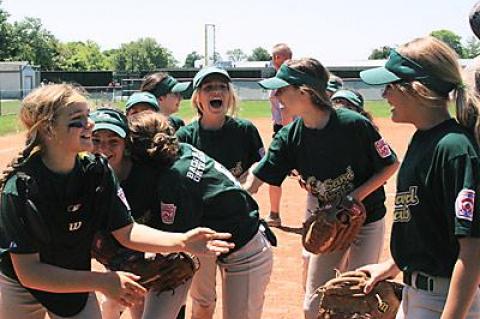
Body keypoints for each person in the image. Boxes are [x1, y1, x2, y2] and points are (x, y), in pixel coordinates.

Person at [0, 84, 234, 319]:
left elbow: (127, 231)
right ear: (49, 129)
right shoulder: (20, 189)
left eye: (87, 116)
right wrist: (102, 281)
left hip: (73, 277)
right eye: (77, 119)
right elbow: (29, 272)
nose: (89, 125)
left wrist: (181, 241)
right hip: (21, 284)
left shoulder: (96, 172)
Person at [244, 58, 399, 319]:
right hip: (329, 224)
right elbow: (255, 181)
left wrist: (354, 197)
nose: (277, 95)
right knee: (313, 304)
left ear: (303, 92)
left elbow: (390, 164)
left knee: (358, 297)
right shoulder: (289, 136)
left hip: (366, 220)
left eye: (282, 89)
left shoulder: (353, 125)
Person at [358, 36, 480, 319]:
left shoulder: (454, 149)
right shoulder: (423, 140)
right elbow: (427, 229)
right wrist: (391, 266)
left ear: (416, 88)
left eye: (390, 85)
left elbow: (473, 250)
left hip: (448, 299)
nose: (384, 94)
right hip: (418, 293)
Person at [128, 111, 274, 319]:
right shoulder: (181, 151)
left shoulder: (173, 180)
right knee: (201, 303)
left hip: (245, 247)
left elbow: (175, 244)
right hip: (207, 240)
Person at [175, 66, 265, 319]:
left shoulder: (245, 131)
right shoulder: (185, 136)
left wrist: (242, 187)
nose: (216, 91)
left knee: (239, 303)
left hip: (237, 225)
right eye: (208, 87)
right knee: (204, 302)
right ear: (198, 98)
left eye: (222, 87)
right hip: (201, 229)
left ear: (230, 95)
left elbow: (262, 163)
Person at [91, 107, 184, 319]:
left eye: (113, 141)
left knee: (142, 306)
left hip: (152, 249)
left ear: (126, 145)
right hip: (116, 257)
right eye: (96, 140)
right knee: (112, 306)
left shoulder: (147, 176)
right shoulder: (86, 175)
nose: (104, 148)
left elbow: (168, 217)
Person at [264, 43, 295, 227]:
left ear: (277, 58)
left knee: (273, 172)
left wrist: (286, 138)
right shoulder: (297, 79)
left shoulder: (282, 81)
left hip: (286, 130)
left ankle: (274, 215)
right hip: (296, 128)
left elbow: (286, 112)